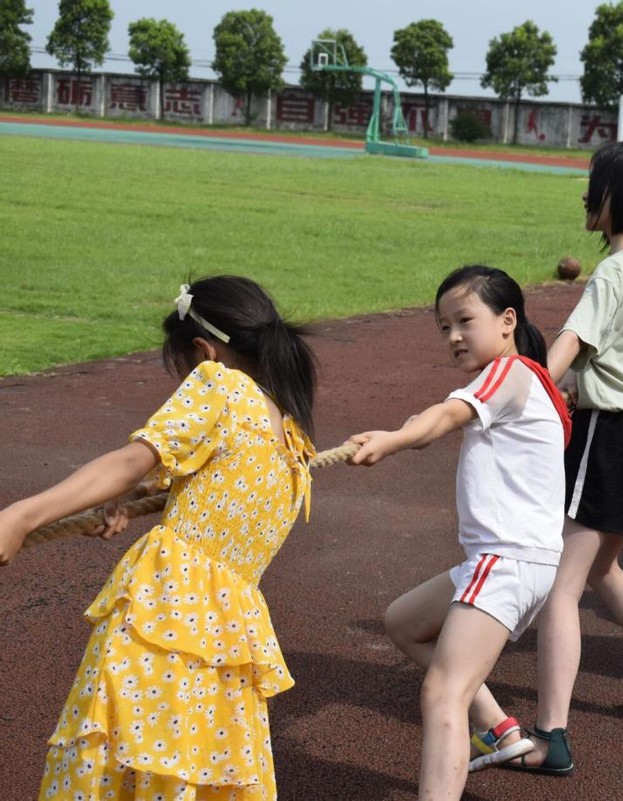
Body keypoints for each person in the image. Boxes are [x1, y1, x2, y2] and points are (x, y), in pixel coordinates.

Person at [0, 276, 318, 800]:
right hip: (228, 638)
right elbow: (207, 475)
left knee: (120, 753)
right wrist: (138, 491)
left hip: (166, 610)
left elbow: (132, 461)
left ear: (204, 350)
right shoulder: (292, 433)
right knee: (187, 768)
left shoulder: (219, 384)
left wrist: (21, 516)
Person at [488, 141, 623, 778]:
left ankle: (550, 736)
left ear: (620, 198)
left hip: (614, 434)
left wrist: (521, 395)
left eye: (595, 185)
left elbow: (571, 344)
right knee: (601, 564)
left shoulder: (615, 271)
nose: (586, 196)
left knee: (560, 585)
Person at [347, 266, 572, 798]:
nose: (452, 336)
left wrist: (396, 438)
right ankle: (499, 731)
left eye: (464, 321)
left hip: (505, 559)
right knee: (403, 622)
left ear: (507, 320)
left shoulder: (508, 372)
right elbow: (446, 419)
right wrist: (407, 432)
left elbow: (446, 416)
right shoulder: (531, 381)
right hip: (517, 561)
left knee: (442, 692)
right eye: (443, 326)